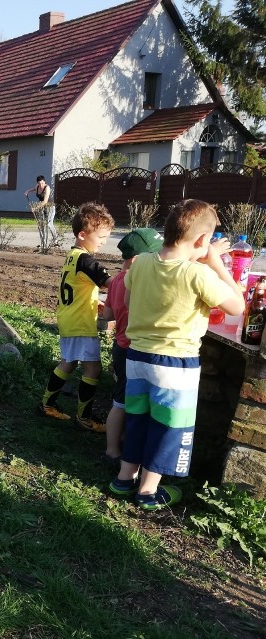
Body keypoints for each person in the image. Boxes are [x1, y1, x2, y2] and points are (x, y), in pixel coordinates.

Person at [109, 200, 243, 510]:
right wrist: (217, 264)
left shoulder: (140, 262)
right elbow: (237, 306)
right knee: (169, 427)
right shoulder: (198, 273)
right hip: (175, 364)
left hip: (138, 357)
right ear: (201, 241)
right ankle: (148, 491)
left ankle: (124, 477)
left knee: (139, 417)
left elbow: (129, 297)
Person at [40, 202, 115, 432]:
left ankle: (47, 404)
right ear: (83, 234)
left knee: (69, 363)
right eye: (101, 237)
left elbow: (79, 286)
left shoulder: (73, 255)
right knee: (93, 370)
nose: (104, 242)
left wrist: (96, 301)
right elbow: (113, 283)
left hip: (70, 317)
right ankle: (85, 417)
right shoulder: (86, 260)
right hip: (81, 323)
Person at [100, 228, 164, 470]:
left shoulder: (116, 280)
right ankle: (112, 451)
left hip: (119, 345)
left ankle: (120, 444)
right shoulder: (139, 281)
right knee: (122, 403)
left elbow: (107, 314)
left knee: (123, 399)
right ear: (138, 259)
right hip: (132, 349)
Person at [25, 175, 56, 243]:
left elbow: (45, 201)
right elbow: (34, 189)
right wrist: (28, 191)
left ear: (44, 182)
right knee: (41, 223)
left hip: (50, 207)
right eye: (39, 183)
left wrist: (35, 208)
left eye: (42, 183)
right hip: (42, 207)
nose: (41, 185)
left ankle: (55, 239)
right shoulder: (37, 186)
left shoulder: (47, 188)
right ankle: (43, 240)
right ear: (37, 183)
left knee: (49, 224)